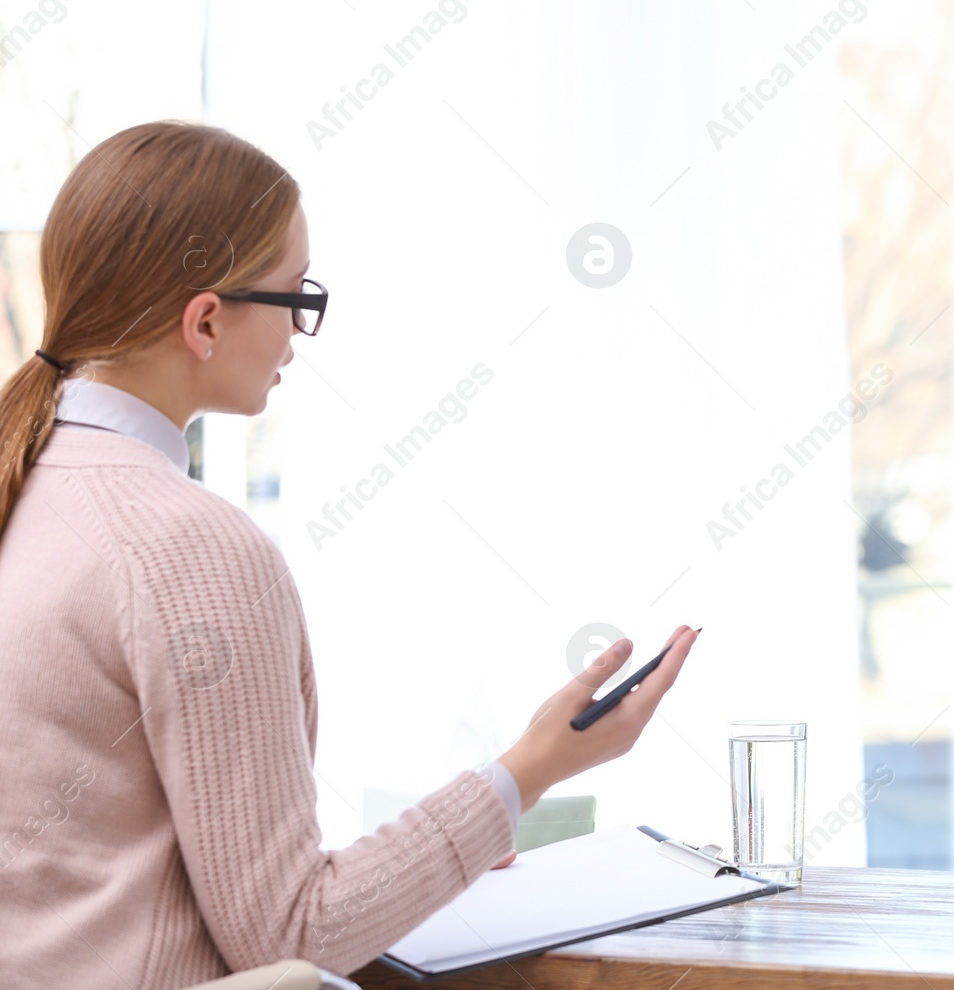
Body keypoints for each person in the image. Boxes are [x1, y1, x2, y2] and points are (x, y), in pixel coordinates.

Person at [0, 120, 697, 986]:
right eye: (297, 299)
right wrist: (534, 767)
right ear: (206, 321)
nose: (299, 334)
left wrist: (448, 843)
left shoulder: (25, 485)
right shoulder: (189, 547)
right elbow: (296, 934)